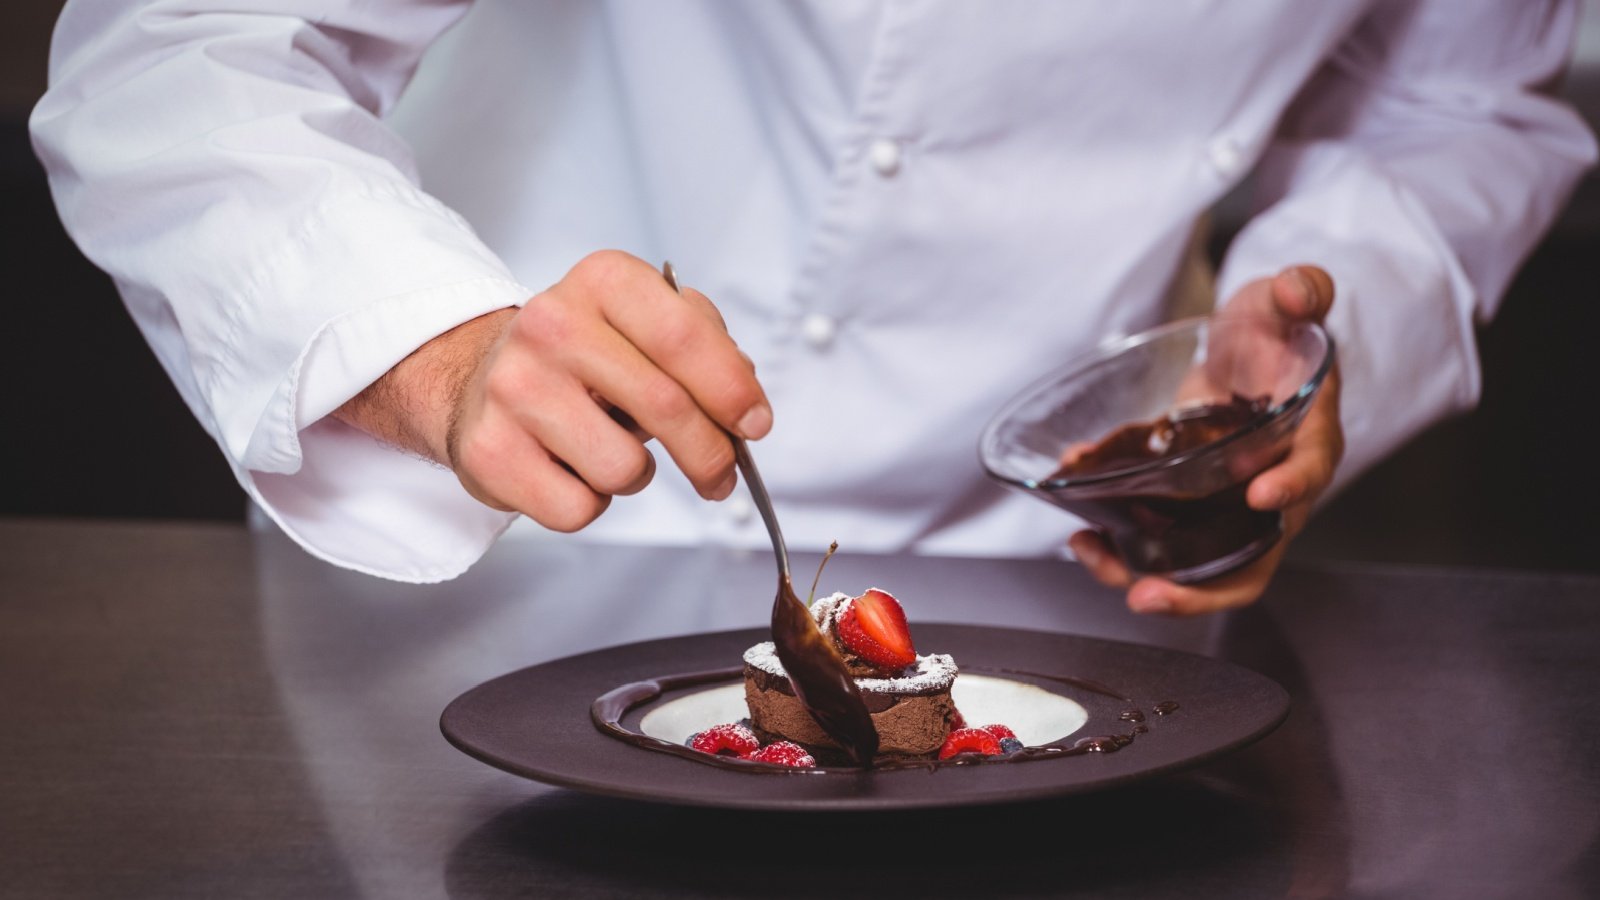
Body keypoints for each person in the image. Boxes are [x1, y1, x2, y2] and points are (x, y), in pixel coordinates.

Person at [30, 1, 1595, 614]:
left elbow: (1472, 100)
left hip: (1051, 592)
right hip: (472, 559)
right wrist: (438, 356)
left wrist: (1332, 325)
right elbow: (176, 58)